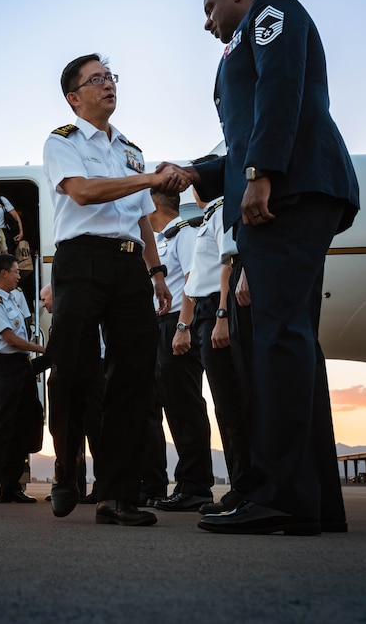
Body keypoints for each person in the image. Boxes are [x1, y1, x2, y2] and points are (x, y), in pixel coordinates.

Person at [158, 0, 360, 535]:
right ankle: (306, 496)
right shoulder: (238, 49)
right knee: (287, 340)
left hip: (287, 191)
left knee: (278, 341)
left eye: (209, 6)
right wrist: (197, 172)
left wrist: (260, 173)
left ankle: (284, 498)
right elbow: (247, 133)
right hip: (280, 190)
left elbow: (280, 89)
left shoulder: (270, 11)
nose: (207, 21)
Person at [42, 52, 186, 526]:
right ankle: (67, 472)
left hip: (128, 268)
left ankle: (116, 496)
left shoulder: (130, 149)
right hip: (81, 261)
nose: (108, 85)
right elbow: (82, 192)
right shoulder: (60, 141)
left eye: (111, 78)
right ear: (74, 97)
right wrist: (146, 178)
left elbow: (143, 218)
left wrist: (158, 273)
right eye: (96, 80)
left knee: (134, 378)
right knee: (72, 369)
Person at [172, 195, 251, 515]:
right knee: (225, 408)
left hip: (216, 311)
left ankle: (245, 487)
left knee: (233, 405)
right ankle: (239, 487)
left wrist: (221, 316)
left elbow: (227, 264)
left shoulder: (220, 212)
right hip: (204, 313)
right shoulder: (207, 218)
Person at [147, 189, 215, 512]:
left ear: (154, 204)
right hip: (163, 328)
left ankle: (196, 486)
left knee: (186, 407)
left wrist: (183, 327)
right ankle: (185, 483)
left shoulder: (185, 233)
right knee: (173, 408)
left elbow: (193, 281)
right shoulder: (161, 240)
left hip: (178, 326)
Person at [0, 254, 46, 504]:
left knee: (25, 424)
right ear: (3, 273)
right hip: (6, 366)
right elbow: (10, 339)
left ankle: (12, 486)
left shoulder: (14, 299)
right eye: (16, 271)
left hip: (22, 366)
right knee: (5, 426)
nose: (20, 275)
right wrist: (43, 351)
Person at [39, 282, 102, 504]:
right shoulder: (60, 319)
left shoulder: (78, 316)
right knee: (72, 434)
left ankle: (98, 488)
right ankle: (75, 484)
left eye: (44, 298)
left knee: (95, 432)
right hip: (70, 378)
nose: (42, 304)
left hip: (89, 376)